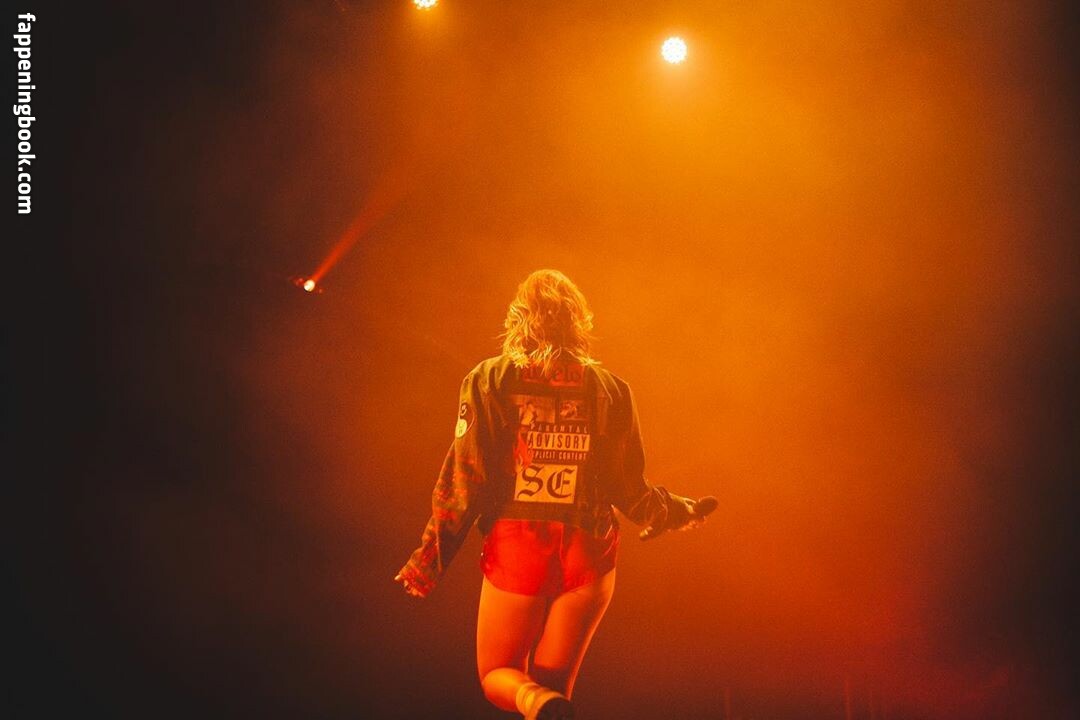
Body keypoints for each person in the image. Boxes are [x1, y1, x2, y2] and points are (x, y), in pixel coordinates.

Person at [395, 269, 712, 719]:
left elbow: (466, 478)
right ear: (579, 322)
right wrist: (679, 511)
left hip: (519, 544)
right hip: (589, 548)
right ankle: (545, 700)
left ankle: (535, 700)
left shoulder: (489, 379)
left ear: (518, 318)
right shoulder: (612, 390)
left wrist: (429, 559)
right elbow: (629, 488)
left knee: (500, 675)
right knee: (555, 690)